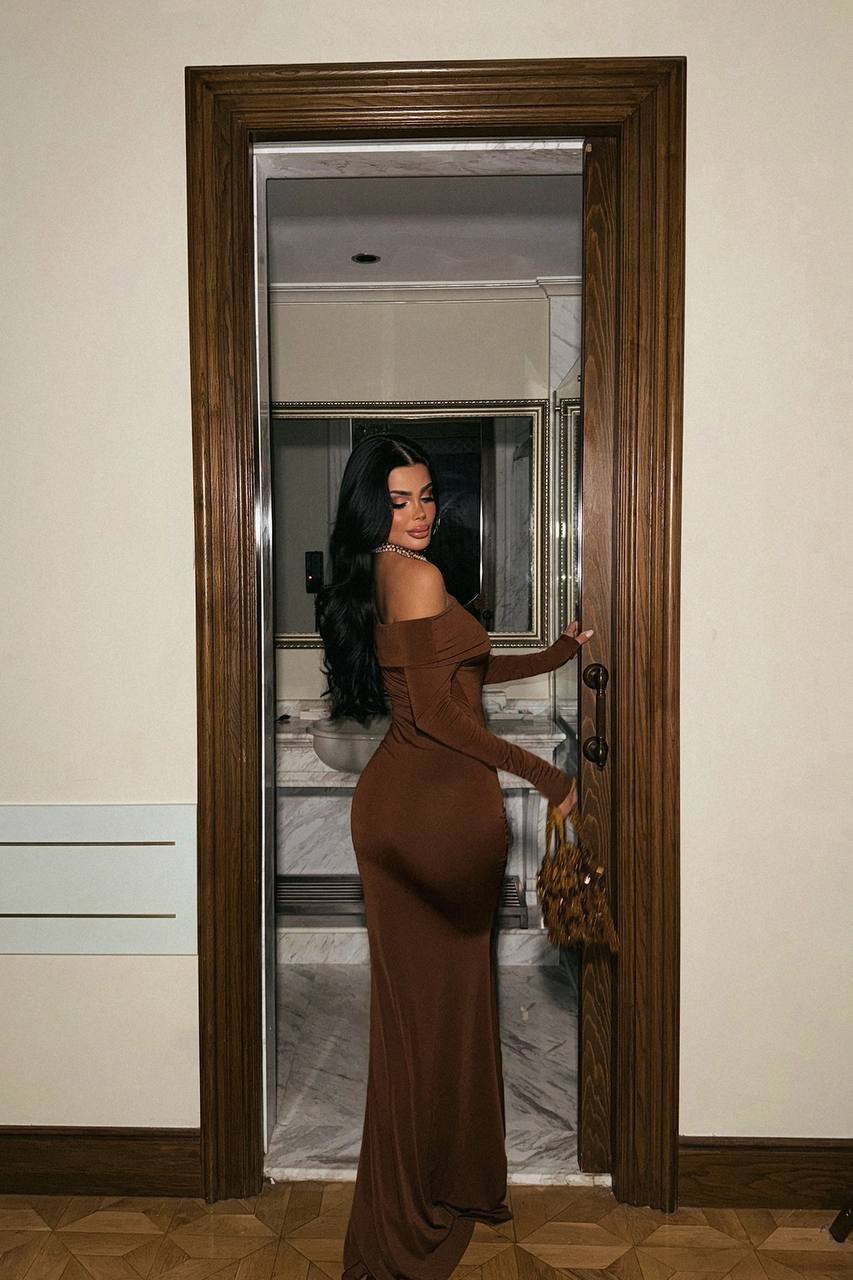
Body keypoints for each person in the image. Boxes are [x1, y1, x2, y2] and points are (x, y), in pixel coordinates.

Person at [316, 433, 593, 1280]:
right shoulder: (418, 576)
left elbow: (458, 677)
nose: (420, 513)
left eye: (427, 495)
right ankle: (414, 1202)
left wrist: (556, 654)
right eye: (399, 500)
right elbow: (441, 718)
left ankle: (439, 1179)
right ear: (372, 506)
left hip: (402, 812)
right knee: (436, 1017)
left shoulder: (383, 571)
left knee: (428, 1018)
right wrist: (547, 775)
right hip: (431, 814)